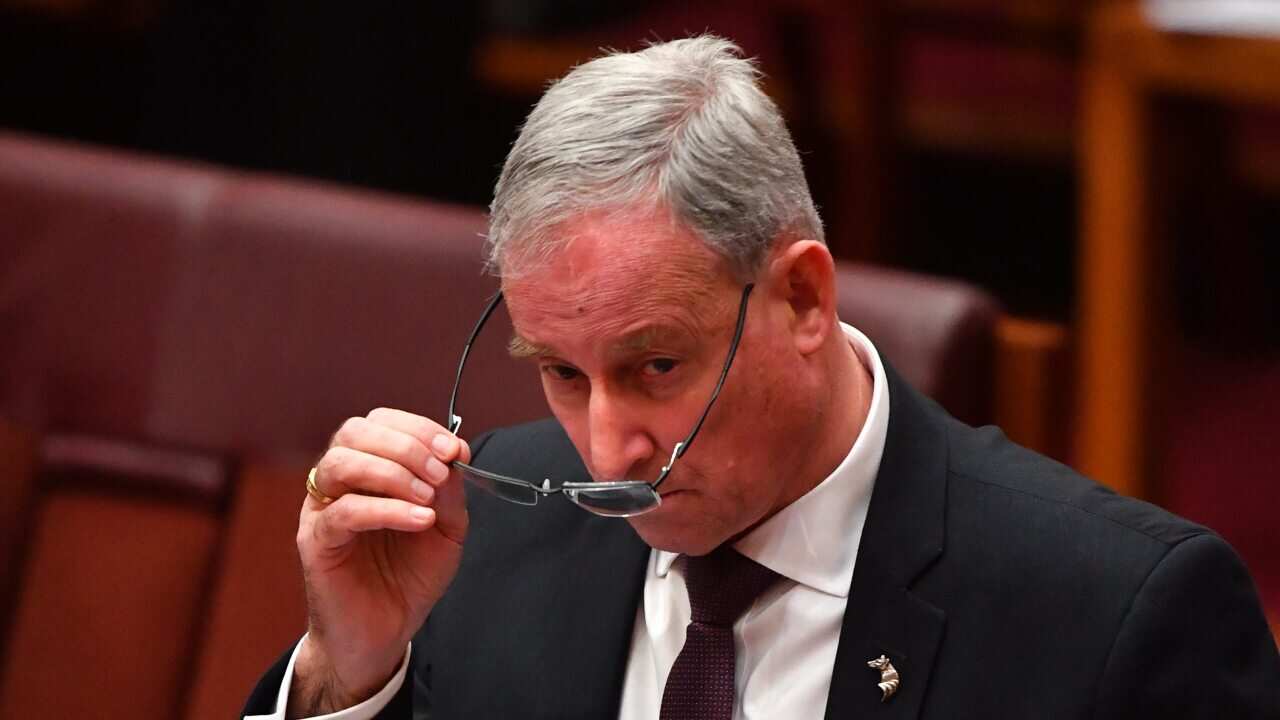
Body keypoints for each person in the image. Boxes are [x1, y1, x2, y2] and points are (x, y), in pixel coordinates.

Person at [243, 36, 1280, 719]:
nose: (607, 453)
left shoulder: (1117, 619)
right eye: (560, 371)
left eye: (656, 366)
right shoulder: (478, 538)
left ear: (800, 298)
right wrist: (348, 672)